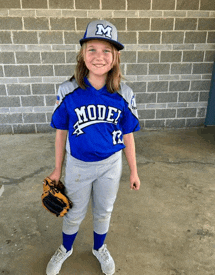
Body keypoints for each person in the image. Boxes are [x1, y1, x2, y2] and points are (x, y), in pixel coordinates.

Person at [46, 19, 141, 275]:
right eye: (92, 49)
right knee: (73, 213)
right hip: (78, 165)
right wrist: (57, 169)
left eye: (106, 51)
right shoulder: (68, 90)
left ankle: (99, 248)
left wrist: (133, 170)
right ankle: (66, 248)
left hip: (111, 165)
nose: (99, 57)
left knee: (104, 211)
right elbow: (61, 133)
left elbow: (129, 134)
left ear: (115, 56)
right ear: (82, 54)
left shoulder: (124, 93)